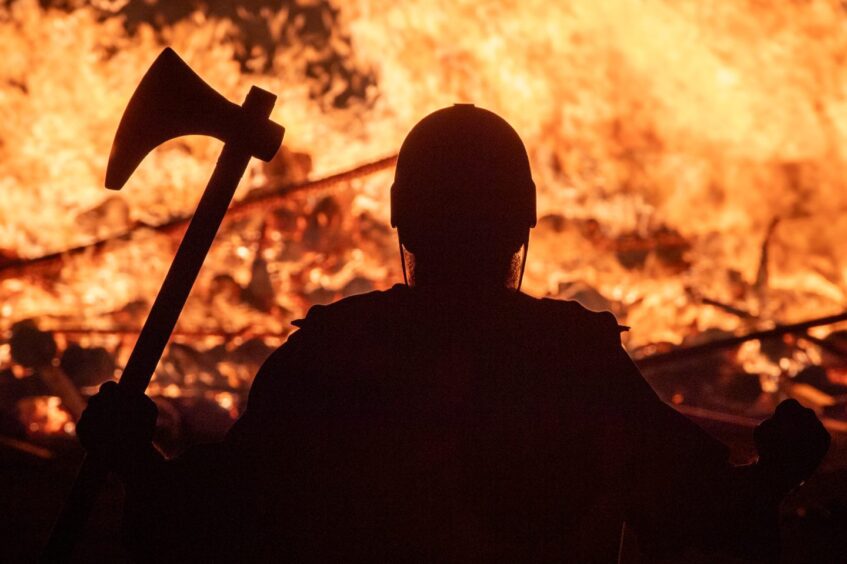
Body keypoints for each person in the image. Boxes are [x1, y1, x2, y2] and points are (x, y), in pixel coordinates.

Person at [78, 105, 830, 562]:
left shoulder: (333, 354)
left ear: (406, 223)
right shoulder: (572, 362)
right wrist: (782, 464)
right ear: (519, 227)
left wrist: (130, 456)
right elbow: (704, 509)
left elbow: (207, 528)